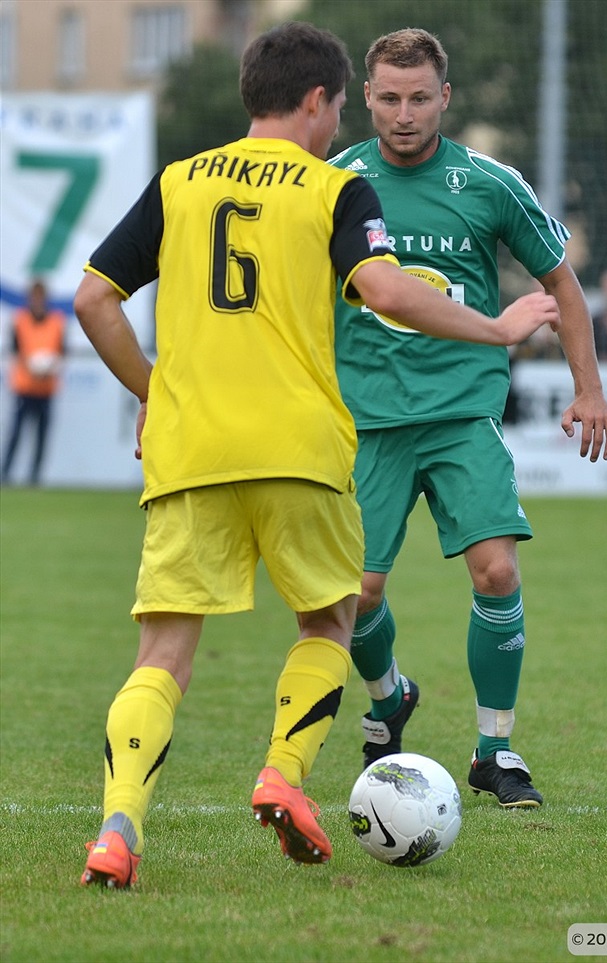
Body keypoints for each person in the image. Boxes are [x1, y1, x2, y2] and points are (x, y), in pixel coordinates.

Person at [73, 21, 560, 888]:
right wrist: (496, 326)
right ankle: (283, 775)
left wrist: (152, 391)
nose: (346, 125)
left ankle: (117, 827)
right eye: (344, 106)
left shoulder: (180, 182)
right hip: (300, 446)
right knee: (332, 622)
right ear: (316, 101)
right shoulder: (334, 188)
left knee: (163, 657)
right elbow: (382, 289)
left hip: (190, 449)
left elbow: (93, 300)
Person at [329, 28, 607, 808]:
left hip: (463, 411)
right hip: (366, 420)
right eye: (389, 98)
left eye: (419, 98)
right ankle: (390, 697)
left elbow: (562, 283)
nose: (403, 113)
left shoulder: (488, 183)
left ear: (445, 98)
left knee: (496, 569)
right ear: (366, 98)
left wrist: (588, 389)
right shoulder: (332, 182)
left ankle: (496, 748)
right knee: (355, 594)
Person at [1, 279, 66, 485]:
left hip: (46, 388)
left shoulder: (57, 321)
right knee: (16, 434)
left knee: (41, 436)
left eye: (41, 298)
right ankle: (5, 474)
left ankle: (35, 478)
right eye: (34, 298)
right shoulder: (20, 320)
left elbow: (62, 352)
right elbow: (16, 350)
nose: (37, 302)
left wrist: (51, 366)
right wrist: (31, 367)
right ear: (29, 299)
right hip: (24, 387)